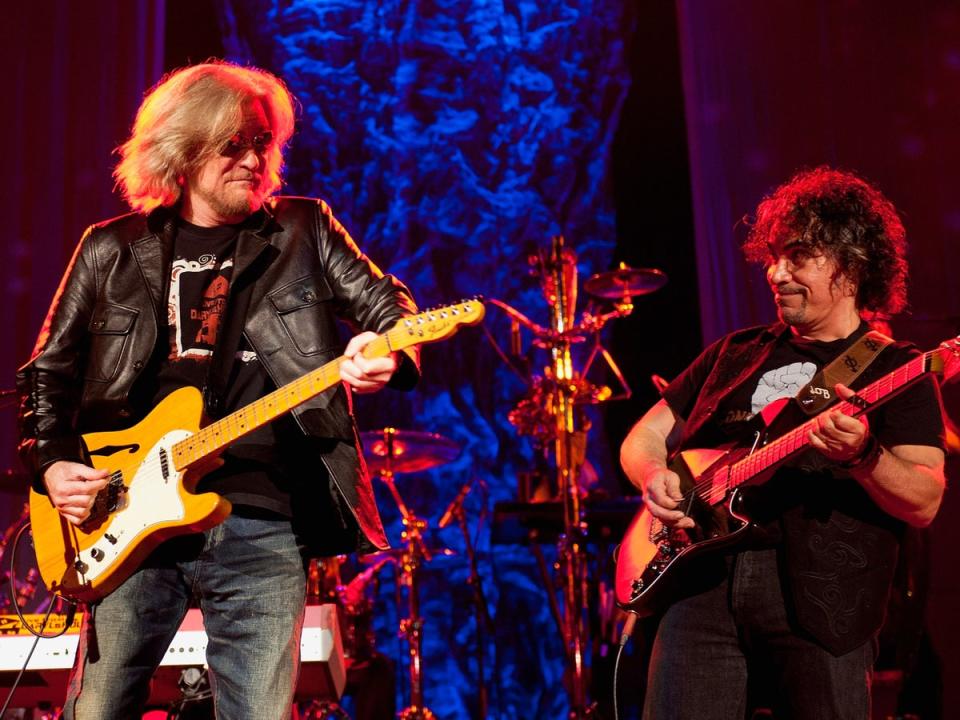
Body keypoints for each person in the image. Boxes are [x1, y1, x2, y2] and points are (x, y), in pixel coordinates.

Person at [16, 61, 419, 719]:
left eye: (264, 142)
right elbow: (45, 377)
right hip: (127, 517)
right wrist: (55, 461)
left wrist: (387, 350)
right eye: (234, 144)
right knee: (101, 705)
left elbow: (389, 306)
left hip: (263, 512)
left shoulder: (302, 229)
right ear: (184, 148)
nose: (254, 160)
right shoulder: (110, 248)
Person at [620, 166, 946, 719]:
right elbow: (646, 433)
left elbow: (924, 500)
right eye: (773, 256)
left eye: (797, 256)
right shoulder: (734, 352)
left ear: (851, 260)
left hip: (823, 600)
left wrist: (863, 457)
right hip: (696, 586)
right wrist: (655, 475)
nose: (775, 272)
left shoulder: (898, 369)